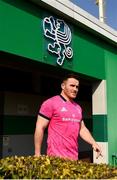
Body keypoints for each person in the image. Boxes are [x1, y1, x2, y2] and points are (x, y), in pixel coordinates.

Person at [34, 74, 102, 160]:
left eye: (77, 87)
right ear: (63, 86)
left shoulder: (78, 107)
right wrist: (37, 153)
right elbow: (40, 127)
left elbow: (82, 129)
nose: (75, 89)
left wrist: (93, 143)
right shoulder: (50, 103)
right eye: (72, 86)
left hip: (74, 157)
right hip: (56, 158)